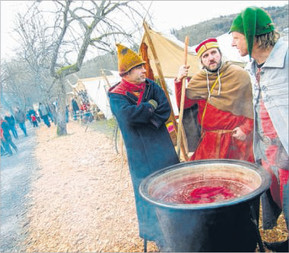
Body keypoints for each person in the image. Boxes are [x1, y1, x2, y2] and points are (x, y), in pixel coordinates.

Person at [108, 43, 180, 249]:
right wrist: (149, 107)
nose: (143, 70)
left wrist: (145, 114)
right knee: (147, 193)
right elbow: (127, 117)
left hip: (162, 147)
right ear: (127, 73)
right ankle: (158, 235)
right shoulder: (116, 95)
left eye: (142, 66)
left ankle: (178, 225)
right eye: (139, 68)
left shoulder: (151, 86)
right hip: (139, 154)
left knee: (172, 185)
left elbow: (164, 107)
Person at [230, 6, 288, 251]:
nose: (233, 44)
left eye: (236, 38)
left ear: (252, 35)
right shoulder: (253, 67)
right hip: (268, 150)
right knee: (279, 199)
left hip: (286, 151)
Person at [175, 38, 254, 162]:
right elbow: (184, 104)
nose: (211, 58)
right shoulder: (198, 80)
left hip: (235, 140)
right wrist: (179, 81)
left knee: (238, 176)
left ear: (220, 54)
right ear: (201, 61)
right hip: (209, 141)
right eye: (205, 56)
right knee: (206, 176)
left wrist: (246, 129)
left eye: (213, 53)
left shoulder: (239, 75)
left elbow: (251, 106)